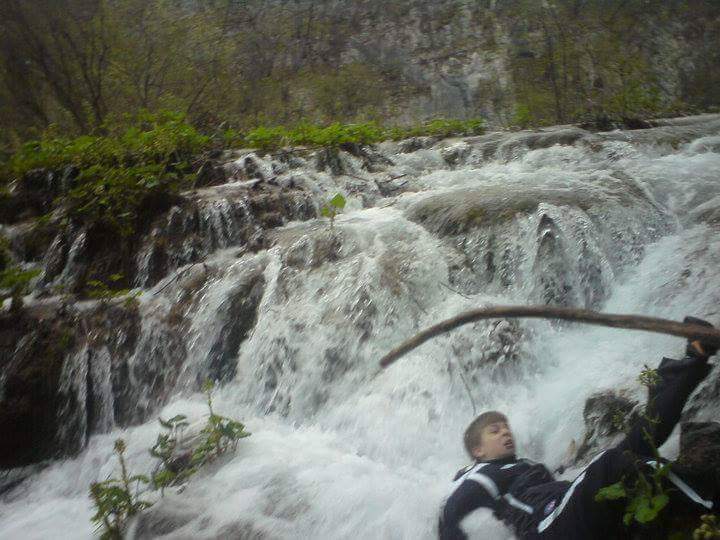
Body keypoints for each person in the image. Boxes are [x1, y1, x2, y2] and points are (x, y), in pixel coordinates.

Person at [438, 317, 719, 539]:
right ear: (478, 450)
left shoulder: (518, 467)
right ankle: (711, 502)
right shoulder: (478, 474)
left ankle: (694, 357)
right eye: (494, 430)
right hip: (547, 528)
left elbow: (541, 487)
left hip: (564, 513)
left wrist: (565, 466)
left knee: (641, 439)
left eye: (505, 427)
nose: (505, 432)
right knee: (609, 463)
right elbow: (451, 513)